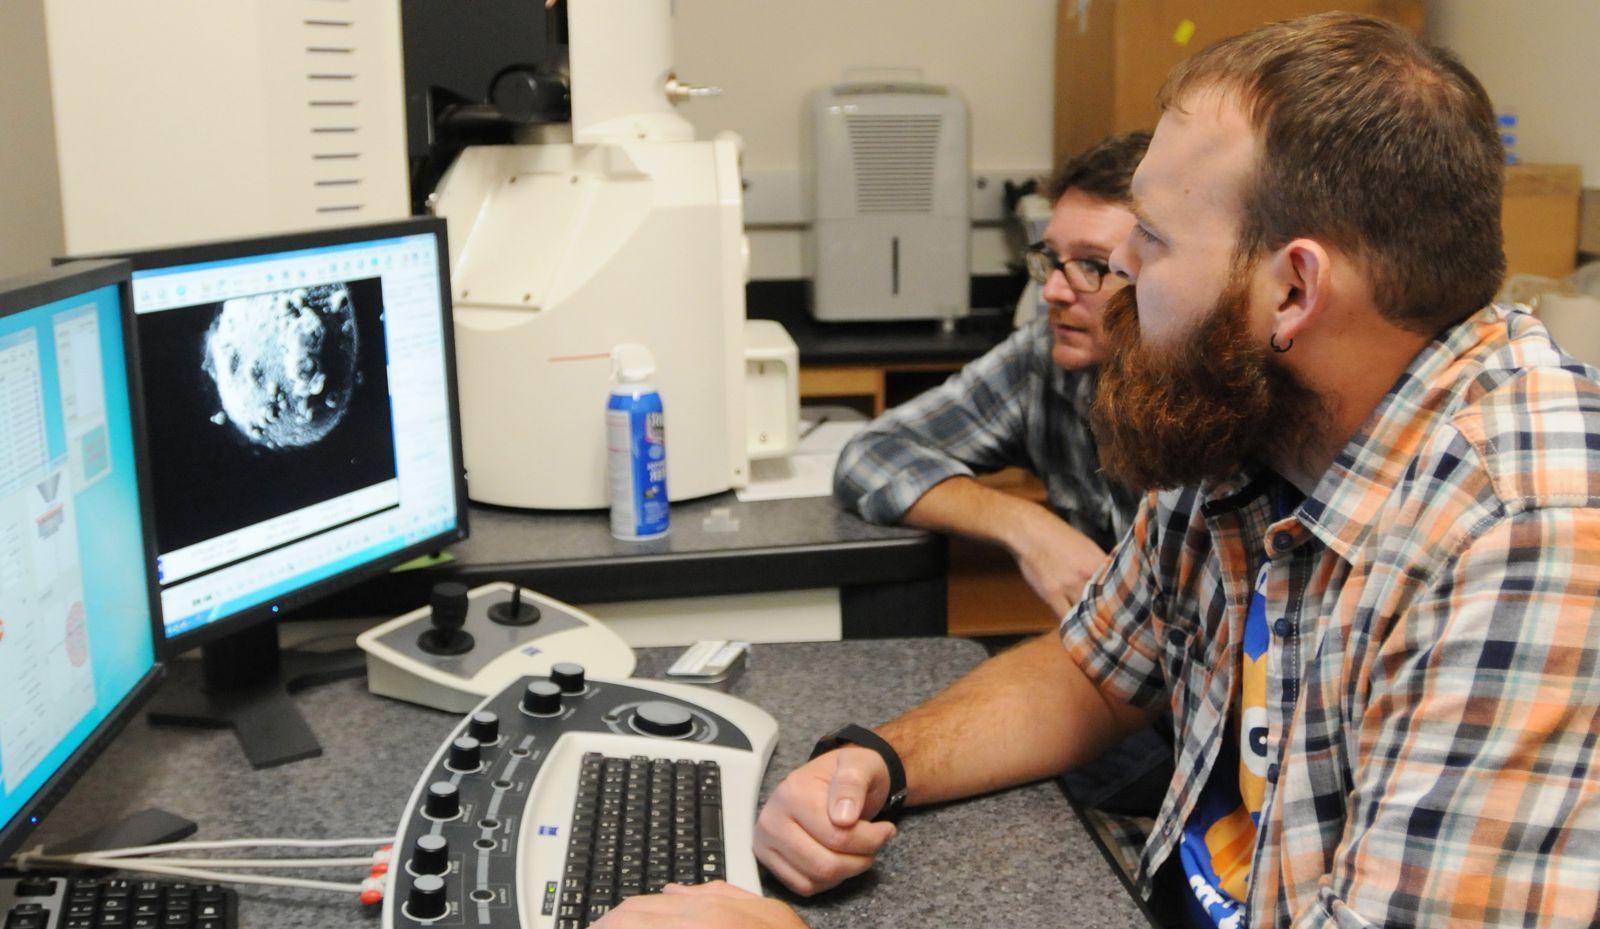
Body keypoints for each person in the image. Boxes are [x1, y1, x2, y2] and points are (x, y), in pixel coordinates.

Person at [597, 12, 1600, 929]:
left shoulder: (1525, 533)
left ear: (1292, 290)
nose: (1110, 296)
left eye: (1148, 249)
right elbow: (1093, 665)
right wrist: (879, 759)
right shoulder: (1251, 414)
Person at [832, 132, 1148, 618]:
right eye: (1052, 261)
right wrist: (1025, 525)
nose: (1053, 293)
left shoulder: (1227, 406)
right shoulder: (1043, 361)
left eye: (1091, 265)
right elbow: (870, 454)